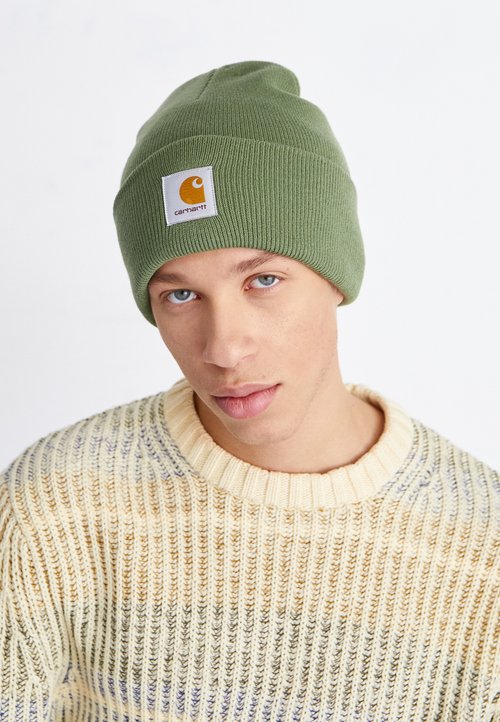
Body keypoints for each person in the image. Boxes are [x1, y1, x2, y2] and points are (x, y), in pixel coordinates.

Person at [1, 60, 498, 721]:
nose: (224, 349)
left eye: (263, 280)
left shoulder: (480, 552)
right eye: (181, 295)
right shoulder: (55, 511)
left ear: (336, 275)